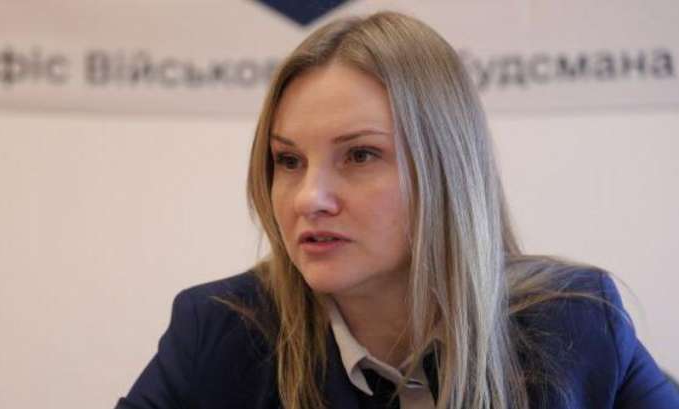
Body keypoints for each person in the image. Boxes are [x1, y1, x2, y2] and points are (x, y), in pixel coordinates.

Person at [115, 11, 679, 409]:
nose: (309, 197)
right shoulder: (219, 331)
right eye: (288, 161)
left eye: (360, 155)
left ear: (445, 170)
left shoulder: (577, 322)